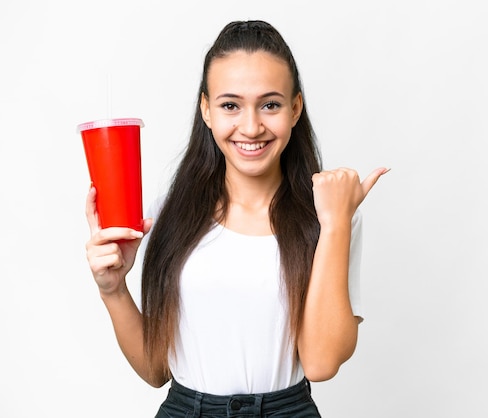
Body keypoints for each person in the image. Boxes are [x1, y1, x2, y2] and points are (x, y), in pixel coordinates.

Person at [85, 20, 388, 417]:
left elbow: (321, 363)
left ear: (295, 108)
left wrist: (334, 224)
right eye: (230, 105)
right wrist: (113, 290)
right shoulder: (168, 214)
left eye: (270, 104)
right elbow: (156, 369)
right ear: (206, 110)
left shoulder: (331, 215)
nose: (251, 127)